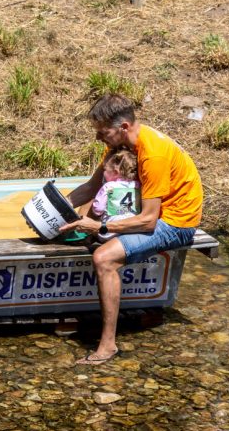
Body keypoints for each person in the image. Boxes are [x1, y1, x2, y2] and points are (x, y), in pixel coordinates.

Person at [60, 94, 203, 365]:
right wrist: (58, 209)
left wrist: (99, 225)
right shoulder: (117, 146)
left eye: (103, 133)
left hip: (175, 221)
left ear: (123, 127)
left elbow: (149, 220)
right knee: (79, 233)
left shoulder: (153, 153)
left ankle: (108, 345)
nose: (99, 138)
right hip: (146, 214)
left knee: (104, 258)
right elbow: (92, 187)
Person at [89, 148, 139, 242]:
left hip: (110, 233)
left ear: (115, 172)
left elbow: (98, 210)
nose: (103, 173)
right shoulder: (137, 186)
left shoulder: (109, 187)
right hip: (131, 231)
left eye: (105, 169)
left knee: (93, 228)